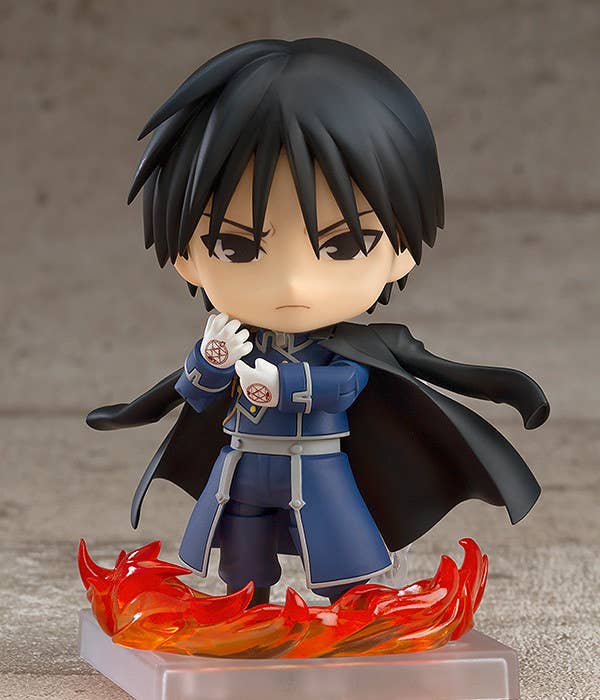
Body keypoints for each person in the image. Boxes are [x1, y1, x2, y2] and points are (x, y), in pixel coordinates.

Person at [87, 38, 549, 606]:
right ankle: (247, 611)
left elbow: (348, 384)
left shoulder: (353, 350)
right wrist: (210, 361)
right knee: (243, 564)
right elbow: (196, 395)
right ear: (186, 257)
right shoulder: (238, 338)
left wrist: (283, 385)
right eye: (236, 246)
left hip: (318, 468)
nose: (292, 284)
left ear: (403, 252)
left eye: (345, 244)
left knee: (338, 558)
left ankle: (349, 614)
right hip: (241, 464)